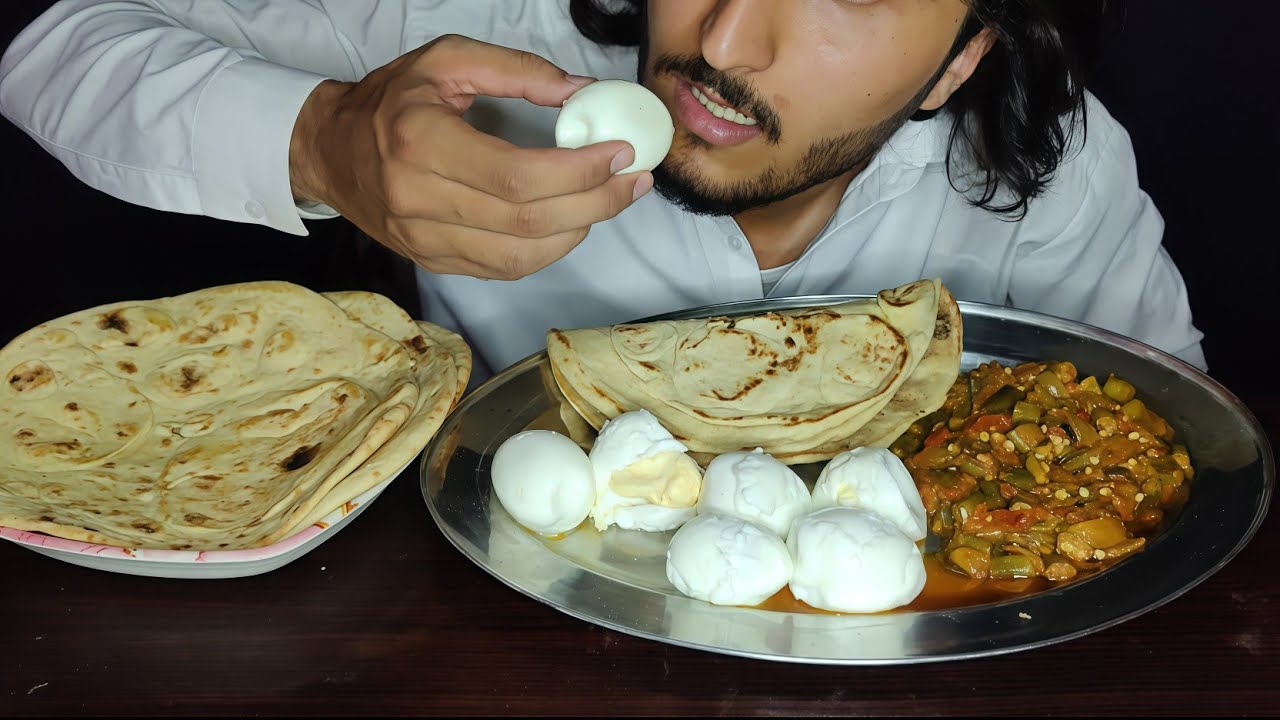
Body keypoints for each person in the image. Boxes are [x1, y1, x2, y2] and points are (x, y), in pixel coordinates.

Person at [0, 0, 1205, 381]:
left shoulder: (1058, 165)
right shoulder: (478, 33)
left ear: (959, 60)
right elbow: (51, 42)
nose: (728, 39)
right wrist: (322, 141)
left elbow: (1178, 446)